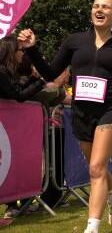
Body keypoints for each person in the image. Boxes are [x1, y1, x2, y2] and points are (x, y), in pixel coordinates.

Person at [18, 0, 112, 233]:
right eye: (96, 6)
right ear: (92, 12)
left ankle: (92, 227)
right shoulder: (74, 41)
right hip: (81, 112)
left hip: (111, 110)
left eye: (106, 7)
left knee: (96, 169)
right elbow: (50, 74)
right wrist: (32, 49)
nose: (99, 10)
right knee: (97, 167)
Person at [0, 35, 45, 219]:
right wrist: (40, 82)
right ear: (11, 52)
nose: (23, 54)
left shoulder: (10, 72)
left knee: (18, 162)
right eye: (21, 50)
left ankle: (18, 201)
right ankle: (11, 203)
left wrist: (34, 80)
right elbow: (17, 95)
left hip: (12, 129)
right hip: (5, 129)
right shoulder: (1, 72)